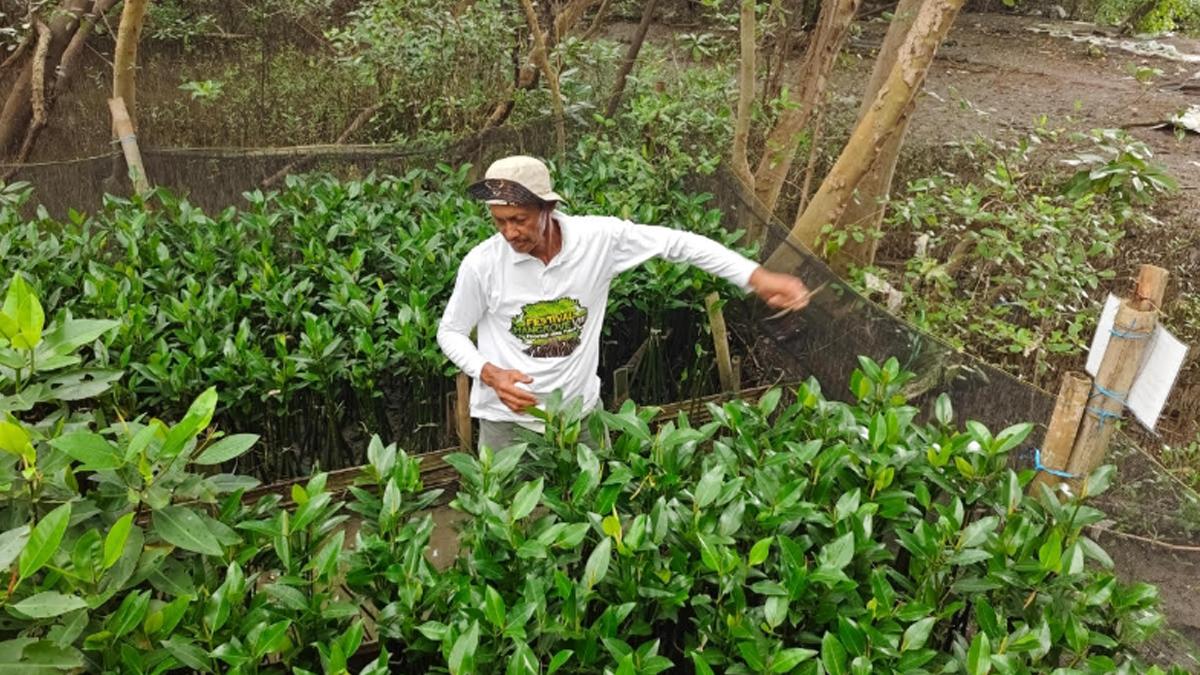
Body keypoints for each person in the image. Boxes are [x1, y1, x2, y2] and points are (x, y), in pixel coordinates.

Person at [436, 155, 812, 451]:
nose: (509, 232)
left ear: (547, 208)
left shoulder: (598, 241)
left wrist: (756, 277)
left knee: (591, 520)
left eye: (518, 219)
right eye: (499, 221)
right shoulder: (483, 264)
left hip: (579, 417)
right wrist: (490, 374)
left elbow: (679, 244)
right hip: (506, 424)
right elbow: (450, 332)